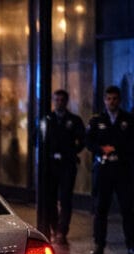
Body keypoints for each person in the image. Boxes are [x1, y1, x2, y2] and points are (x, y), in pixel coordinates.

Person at [85, 85, 134, 254]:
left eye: (115, 99)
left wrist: (118, 149)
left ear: (119, 100)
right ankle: (99, 244)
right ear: (105, 100)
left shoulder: (128, 119)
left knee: (127, 208)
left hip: (122, 170)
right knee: (101, 209)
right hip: (104, 169)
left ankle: (131, 245)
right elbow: (88, 142)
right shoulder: (97, 120)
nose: (112, 102)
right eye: (109, 99)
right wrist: (100, 149)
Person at [39, 89, 85, 245]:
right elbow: (36, 138)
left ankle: (62, 230)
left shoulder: (74, 120)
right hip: (51, 164)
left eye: (61, 100)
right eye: (56, 100)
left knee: (65, 198)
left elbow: (82, 140)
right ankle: (54, 226)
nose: (59, 102)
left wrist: (72, 153)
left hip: (67, 164)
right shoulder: (47, 119)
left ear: (66, 102)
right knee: (50, 198)